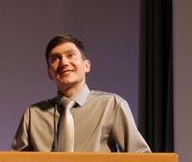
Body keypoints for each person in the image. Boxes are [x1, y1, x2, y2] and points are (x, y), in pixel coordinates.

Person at [11, 35, 150, 153]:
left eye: (70, 55)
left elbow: (142, 159)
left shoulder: (111, 105)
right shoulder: (33, 115)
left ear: (87, 65)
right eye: (55, 59)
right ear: (49, 73)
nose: (64, 62)